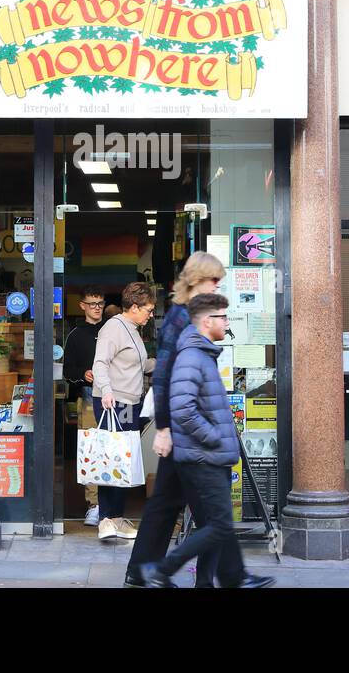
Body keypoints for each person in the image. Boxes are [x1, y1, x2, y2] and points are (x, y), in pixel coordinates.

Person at [140, 294, 273, 588]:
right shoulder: (191, 355)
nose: (227, 322)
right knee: (220, 525)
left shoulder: (203, 353)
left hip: (211, 455)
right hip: (204, 456)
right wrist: (214, 437)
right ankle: (163, 569)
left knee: (217, 525)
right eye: (223, 317)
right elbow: (183, 409)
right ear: (206, 321)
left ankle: (216, 581)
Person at [125, 251, 240, 588]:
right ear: (196, 280)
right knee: (209, 514)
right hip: (182, 427)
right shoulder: (179, 317)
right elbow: (163, 375)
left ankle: (142, 573)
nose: (217, 285)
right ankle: (212, 577)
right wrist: (164, 427)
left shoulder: (190, 314)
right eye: (213, 280)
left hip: (183, 427)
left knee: (168, 502)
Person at [92, 281, 156, 541]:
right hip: (114, 402)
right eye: (148, 310)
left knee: (122, 461)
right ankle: (107, 520)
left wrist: (161, 363)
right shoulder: (113, 328)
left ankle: (115, 519)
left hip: (130, 403)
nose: (150, 314)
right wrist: (106, 390)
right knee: (112, 459)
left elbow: (137, 365)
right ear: (134, 306)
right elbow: (100, 363)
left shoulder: (132, 328)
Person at [64, 286, 107, 527]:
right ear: (82, 305)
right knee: (91, 451)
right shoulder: (76, 334)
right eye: (92, 304)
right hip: (90, 396)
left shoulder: (113, 328)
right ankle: (94, 505)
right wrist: (83, 373)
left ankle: (111, 505)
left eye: (100, 303)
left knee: (115, 449)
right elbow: (67, 371)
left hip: (117, 396)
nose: (96, 308)